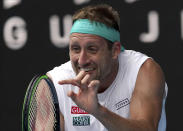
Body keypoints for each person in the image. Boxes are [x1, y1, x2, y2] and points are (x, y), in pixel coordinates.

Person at [47, 4, 168, 131]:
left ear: (115, 50)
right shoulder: (54, 85)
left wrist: (98, 111)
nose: (82, 61)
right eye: (76, 49)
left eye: (92, 49)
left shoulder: (143, 71)